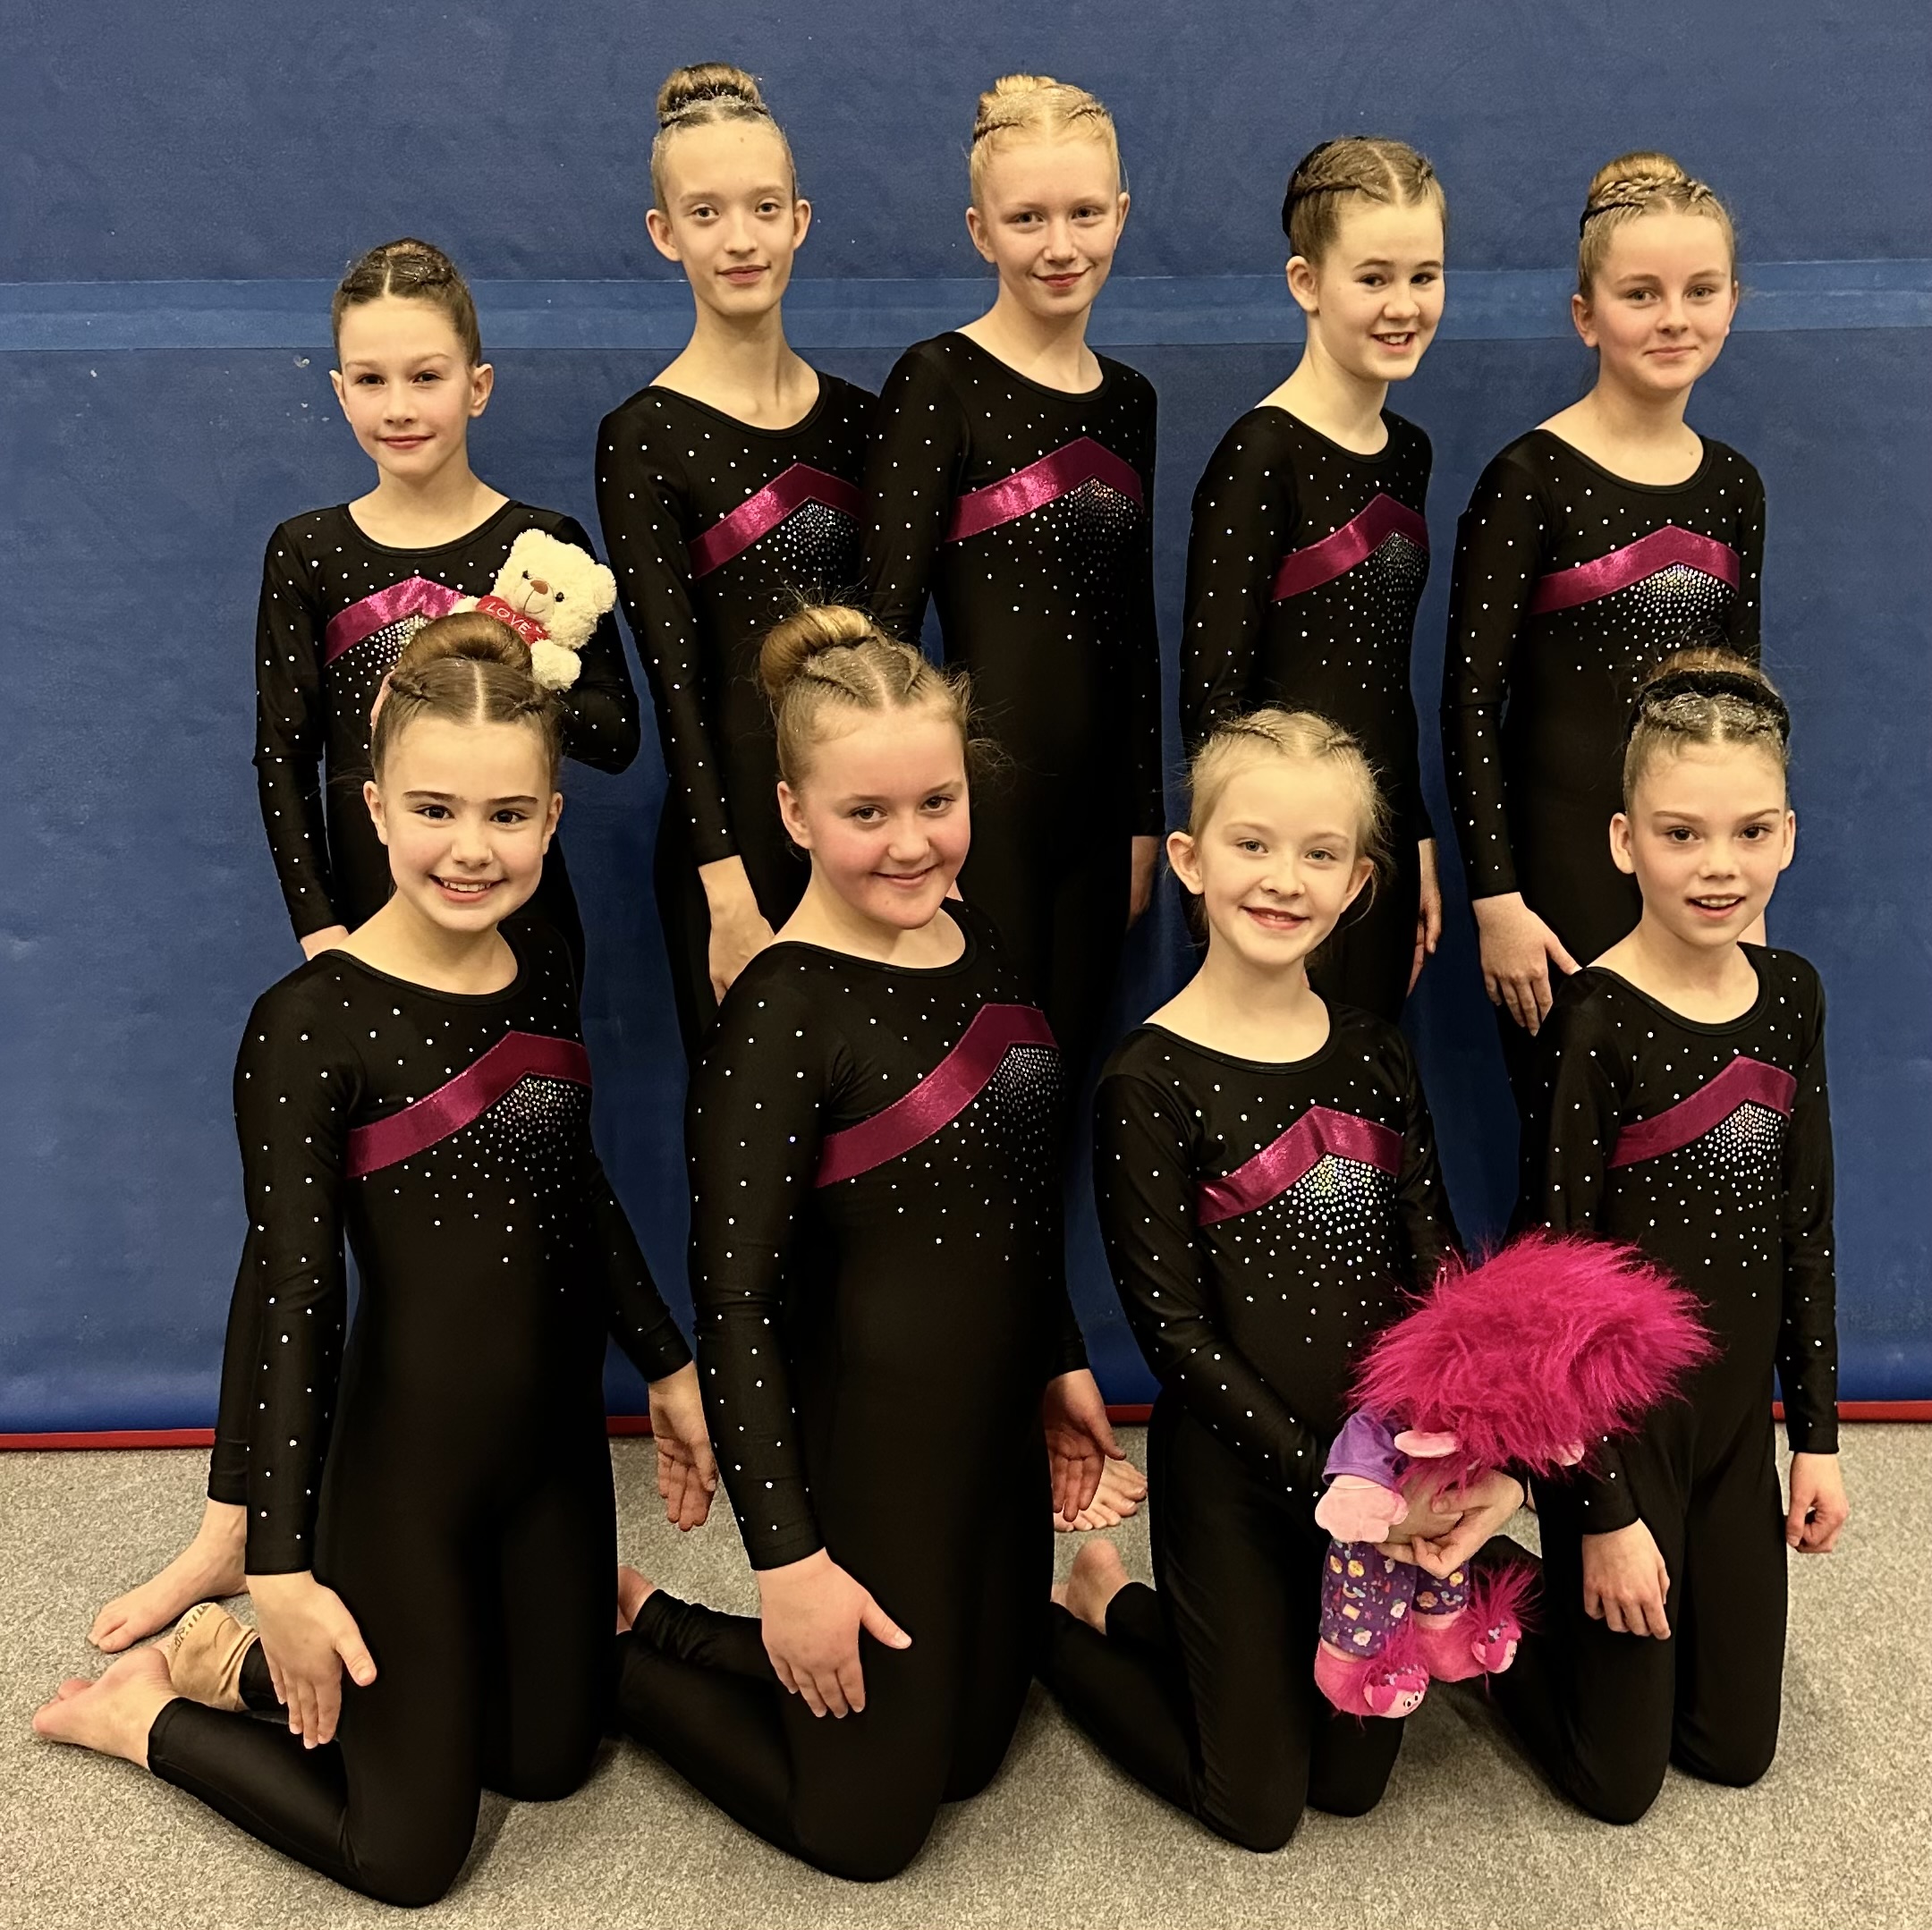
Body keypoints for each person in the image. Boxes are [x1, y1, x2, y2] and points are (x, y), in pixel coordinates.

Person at [38, 619, 711, 1906]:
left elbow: (572, 1183)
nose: (472, 848)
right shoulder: (310, 1024)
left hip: (552, 1456)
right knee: (408, 1854)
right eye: (436, 809)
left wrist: (668, 1363)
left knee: (552, 1760)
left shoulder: (540, 963)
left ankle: (249, 1671)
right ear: (376, 809)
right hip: (406, 1479)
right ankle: (150, 1712)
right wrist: (282, 1566)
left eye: (507, 814)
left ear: (553, 815)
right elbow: (297, 1301)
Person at [89, 237, 645, 1658]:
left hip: (520, 936)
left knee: (529, 1187)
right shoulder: (313, 551)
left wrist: (517, 655)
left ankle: (533, 1488)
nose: (402, 404)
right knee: (293, 1233)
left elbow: (614, 735)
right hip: (368, 936)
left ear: (478, 384)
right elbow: (283, 755)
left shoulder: (539, 546)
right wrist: (320, 928)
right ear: (338, 390)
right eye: (373, 379)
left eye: (428, 375)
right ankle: (235, 1519)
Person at [610, 605, 1123, 1880]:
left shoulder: (975, 933)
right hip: (868, 1456)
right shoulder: (782, 1009)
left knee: (974, 1754)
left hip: (991, 1442)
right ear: (792, 812)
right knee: (869, 1830)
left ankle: (695, 1629)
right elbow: (733, 1304)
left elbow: (1014, 1189)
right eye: (866, 813)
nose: (910, 842)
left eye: (937, 801)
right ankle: (623, 1647)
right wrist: (788, 1561)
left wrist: (1059, 1355)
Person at [1042, 709, 1522, 1849]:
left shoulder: (1376, 1052)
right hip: (1242, 1480)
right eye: (1252, 844)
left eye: (1319, 854)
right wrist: (1335, 1486)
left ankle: (1142, 1615)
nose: (1282, 879)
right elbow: (1175, 1337)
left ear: (1358, 884)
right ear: (1190, 858)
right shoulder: (1148, 1080)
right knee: (1256, 1806)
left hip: (1376, 1471)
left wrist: (1453, 1462)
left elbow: (1438, 1271)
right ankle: (1062, 1620)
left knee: (1349, 1784)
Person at [1494, 649, 1846, 1824]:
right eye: (1681, 833)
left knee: (1733, 1749)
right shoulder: (1593, 1020)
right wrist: (1602, 1514)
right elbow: (1549, 1286)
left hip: (1732, 1429)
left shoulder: (1791, 996)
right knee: (1619, 1781)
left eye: (1750, 833)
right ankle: (1485, 1584)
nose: (1718, 866)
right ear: (1623, 840)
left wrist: (1819, 1439)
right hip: (1617, 1432)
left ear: (1787, 836)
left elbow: (1806, 1224)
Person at [1441, 153, 1765, 1100]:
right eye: (1641, 294)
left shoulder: (1733, 486)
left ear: (1734, 302)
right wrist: (1498, 898)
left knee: (1686, 1127)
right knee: (1578, 1132)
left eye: (1700, 291)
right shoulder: (1530, 480)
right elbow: (1470, 701)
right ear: (1586, 314)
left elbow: (1744, 706)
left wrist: (1749, 883)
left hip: (1698, 864)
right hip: (1561, 873)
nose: (1674, 318)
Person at [862, 73, 1161, 1083]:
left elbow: (1133, 628)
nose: (1061, 246)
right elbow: (884, 633)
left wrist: (1144, 817)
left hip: (1099, 827)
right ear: (980, 230)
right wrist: (912, 822)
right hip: (979, 818)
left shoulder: (1129, 401)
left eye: (1085, 214)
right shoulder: (939, 380)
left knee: (1063, 1093)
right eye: (1027, 219)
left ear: (1122, 213)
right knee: (979, 1095)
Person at [597, 63, 876, 1054]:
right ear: (664, 232)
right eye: (706, 213)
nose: (741, 240)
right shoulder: (643, 439)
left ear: (800, 219)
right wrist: (726, 889)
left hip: (862, 827)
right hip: (733, 847)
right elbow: (676, 684)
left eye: (763, 208)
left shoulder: (863, 424)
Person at [1182, 138, 1447, 1019]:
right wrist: (1250, 871)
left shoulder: (1408, 454)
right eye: (1373, 278)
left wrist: (1414, 834)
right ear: (1307, 281)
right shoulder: (1262, 453)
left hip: (1371, 848)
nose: (1403, 305)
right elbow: (1214, 699)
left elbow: (1385, 676)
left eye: (1424, 276)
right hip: (1284, 872)